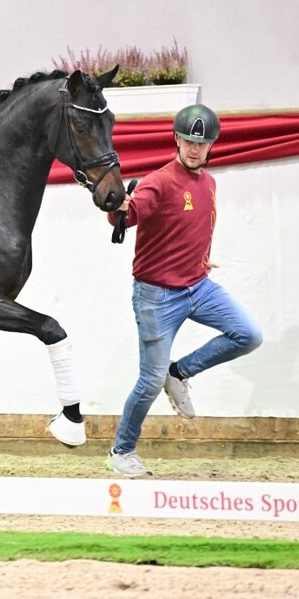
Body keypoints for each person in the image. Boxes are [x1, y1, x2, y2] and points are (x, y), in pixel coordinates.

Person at [105, 104, 263, 477]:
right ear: (176, 140)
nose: (194, 148)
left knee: (248, 335)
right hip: (157, 296)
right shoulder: (158, 182)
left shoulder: (209, 183)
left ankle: (180, 373)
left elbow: (193, 224)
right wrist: (118, 207)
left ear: (211, 146)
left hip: (198, 285)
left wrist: (200, 257)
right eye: (188, 140)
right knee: (149, 381)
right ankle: (121, 452)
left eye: (201, 142)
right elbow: (127, 214)